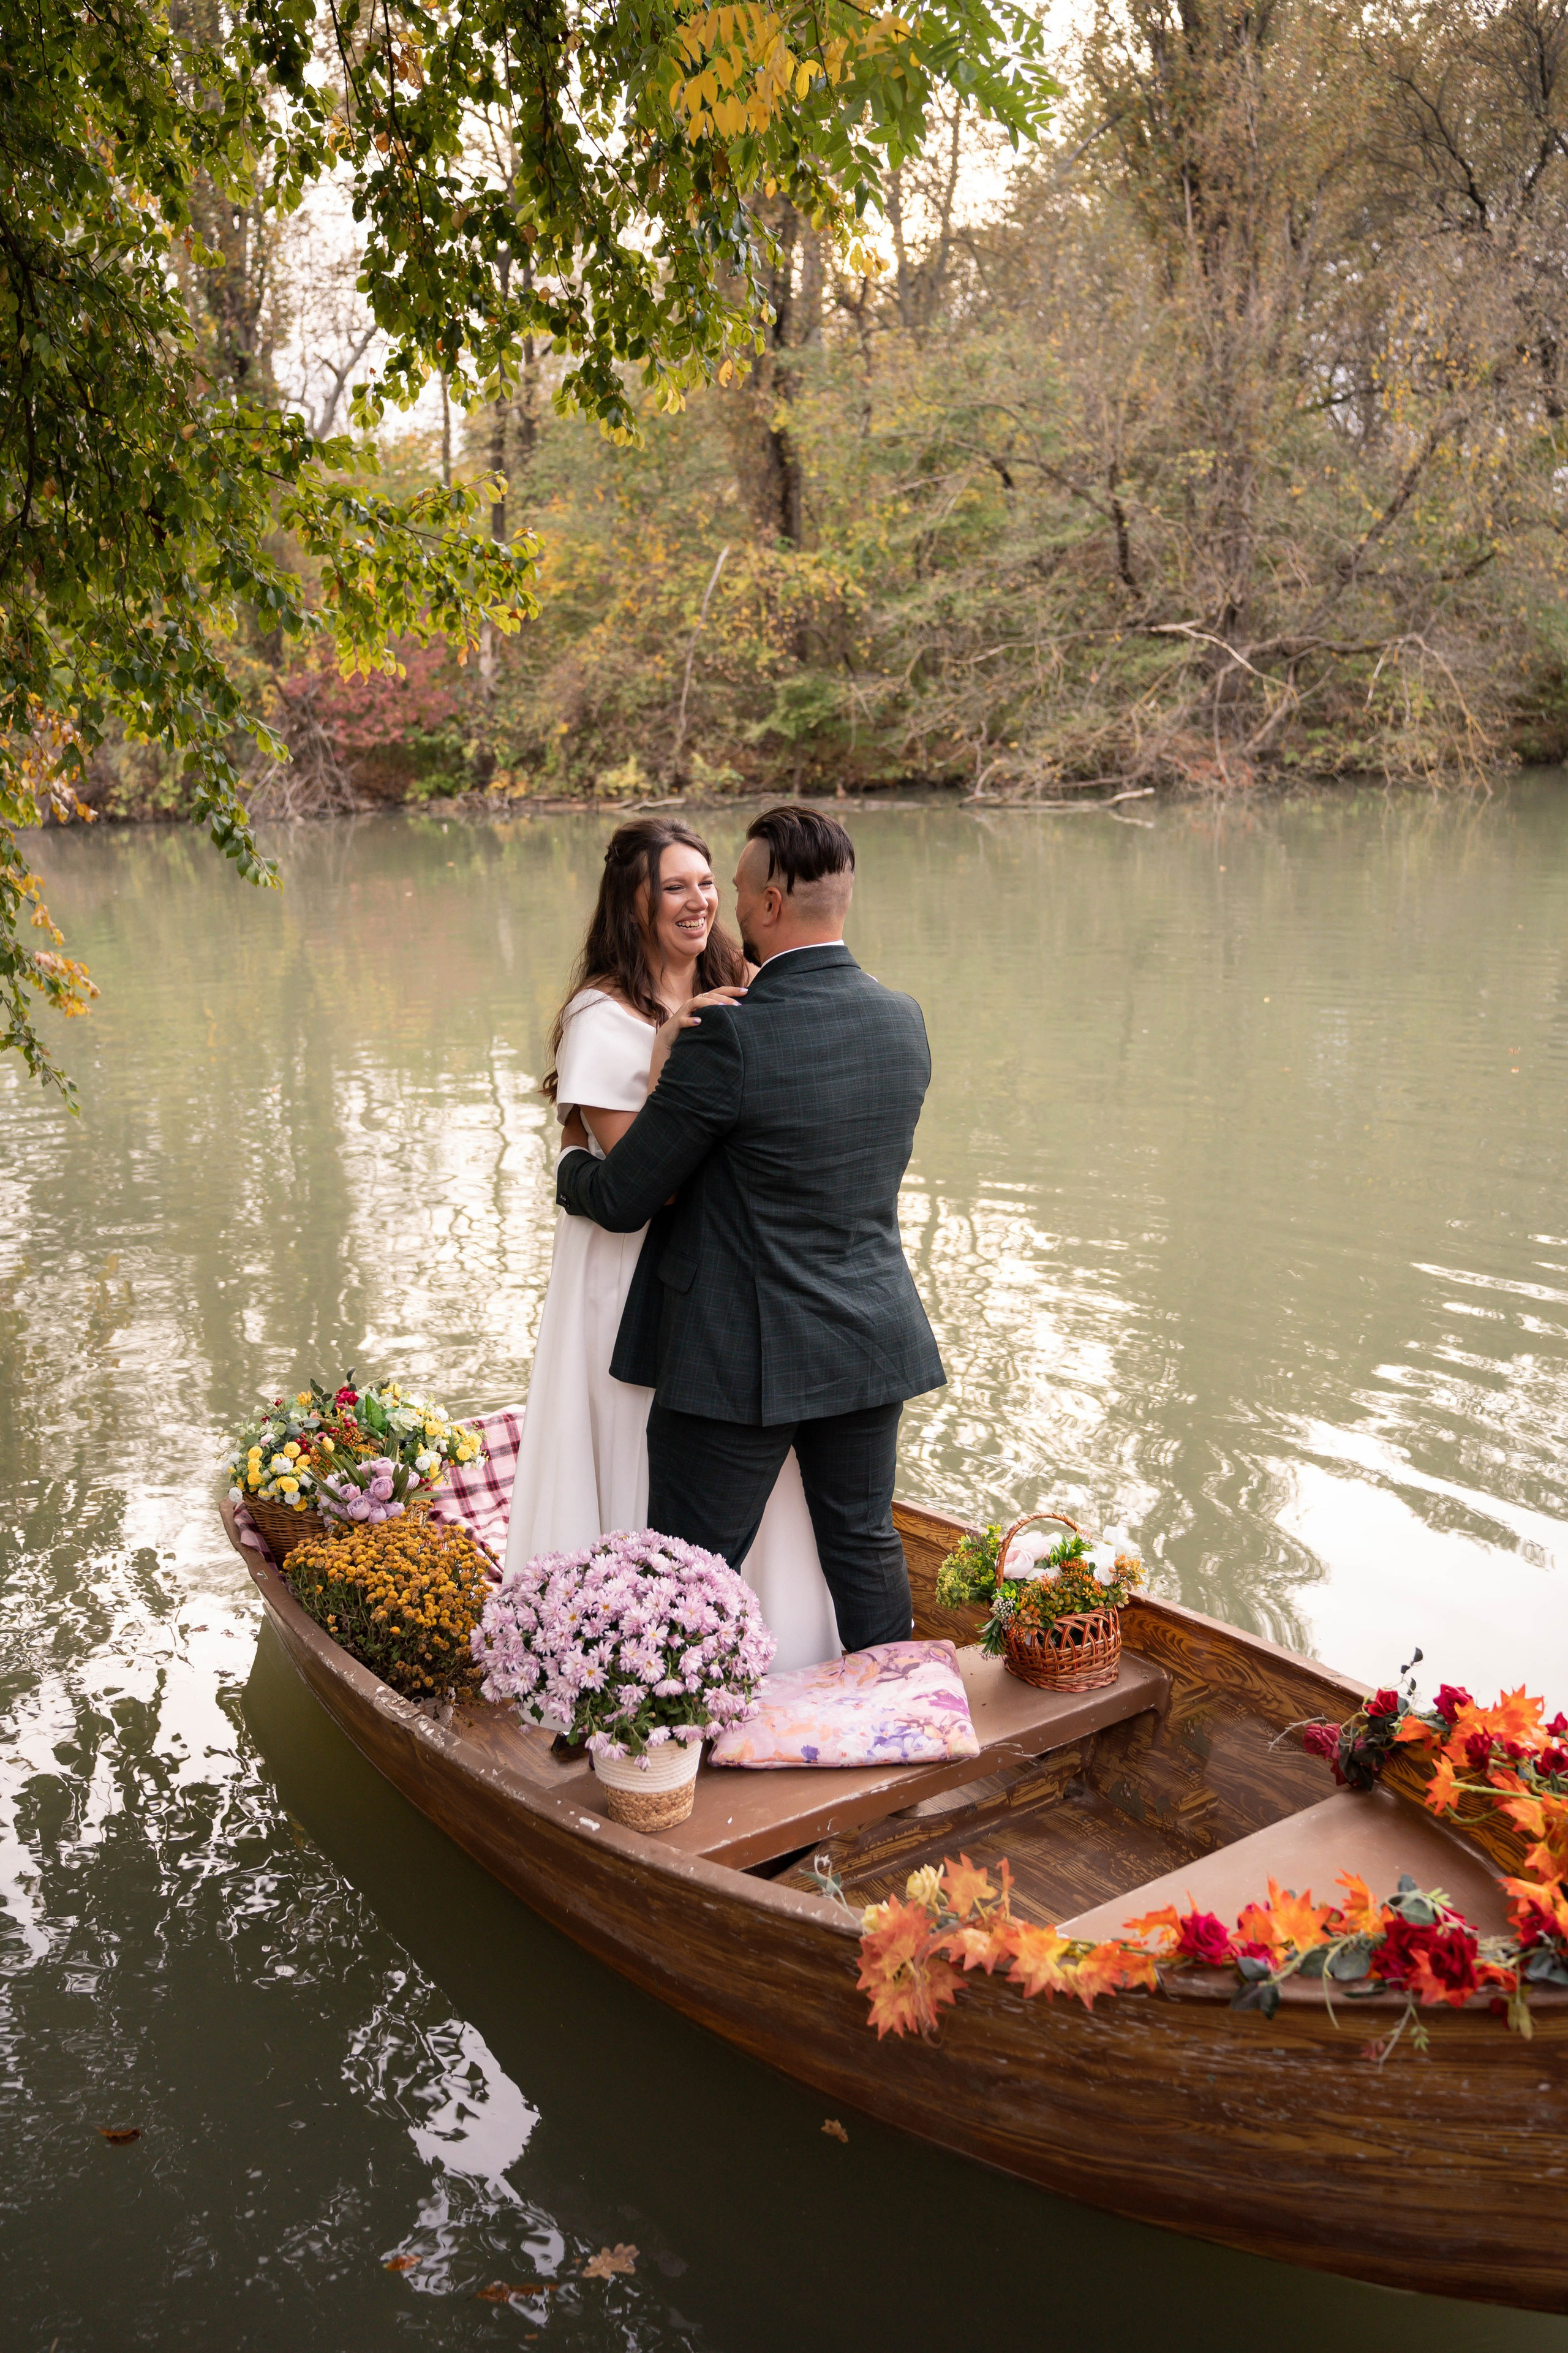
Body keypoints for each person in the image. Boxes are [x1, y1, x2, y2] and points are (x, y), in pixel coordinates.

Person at [554, 804, 945, 1655]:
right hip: (868, 1339)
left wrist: (572, 1164)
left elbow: (624, 1197)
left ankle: (658, 1767)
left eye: (730, 890)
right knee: (864, 1541)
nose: (722, 909)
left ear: (770, 905)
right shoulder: (903, 1019)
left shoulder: (727, 1034)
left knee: (684, 1574)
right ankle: (906, 1742)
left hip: (741, 1352)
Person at [504, 814, 842, 1672]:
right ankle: (626, 1659)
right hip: (627, 1273)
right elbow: (640, 1181)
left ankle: (768, 1645)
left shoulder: (746, 984)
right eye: (675, 886)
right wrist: (661, 1069)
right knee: (635, 1445)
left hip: (727, 1271)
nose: (698, 903)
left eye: (705, 884)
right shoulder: (599, 1016)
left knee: (747, 1461)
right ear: (635, 902)